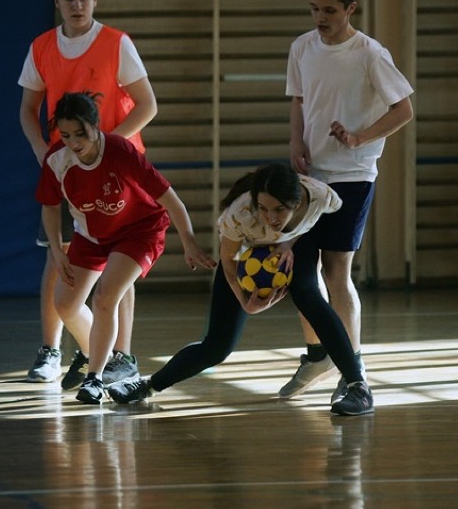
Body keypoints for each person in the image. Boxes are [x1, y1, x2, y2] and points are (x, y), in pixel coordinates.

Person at [107, 163, 375, 416]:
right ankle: (148, 385)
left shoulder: (321, 197)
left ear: (296, 203)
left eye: (280, 210)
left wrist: (289, 242)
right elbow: (228, 260)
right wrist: (245, 302)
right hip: (243, 259)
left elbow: (319, 221)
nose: (271, 218)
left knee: (308, 296)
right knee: (217, 346)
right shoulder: (240, 214)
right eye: (264, 208)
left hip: (294, 248)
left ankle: (357, 386)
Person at [19, 0, 158, 387]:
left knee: (122, 261)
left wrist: (108, 149)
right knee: (57, 255)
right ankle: (55, 349)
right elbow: (27, 111)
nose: (77, 4)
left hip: (118, 172)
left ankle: (122, 355)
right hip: (68, 169)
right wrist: (47, 154)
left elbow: (148, 106)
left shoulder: (116, 43)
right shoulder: (42, 46)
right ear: (56, 1)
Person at [278, 0, 414, 402]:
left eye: (330, 10)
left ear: (351, 8)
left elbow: (403, 110)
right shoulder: (301, 48)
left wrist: (358, 138)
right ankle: (317, 353)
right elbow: (299, 100)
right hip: (309, 175)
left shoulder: (370, 53)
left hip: (352, 176)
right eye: (314, 8)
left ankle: (353, 370)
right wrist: (297, 141)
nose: (320, 18)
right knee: (301, 272)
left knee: (337, 272)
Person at [36, 91, 215, 405]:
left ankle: (95, 378)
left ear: (96, 126)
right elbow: (49, 207)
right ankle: (98, 351)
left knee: (106, 296)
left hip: (139, 232)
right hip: (91, 235)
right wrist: (56, 250)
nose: (74, 142)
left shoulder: (120, 150)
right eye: (66, 135)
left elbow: (171, 199)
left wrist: (188, 241)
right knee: (64, 303)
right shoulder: (57, 160)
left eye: (80, 133)